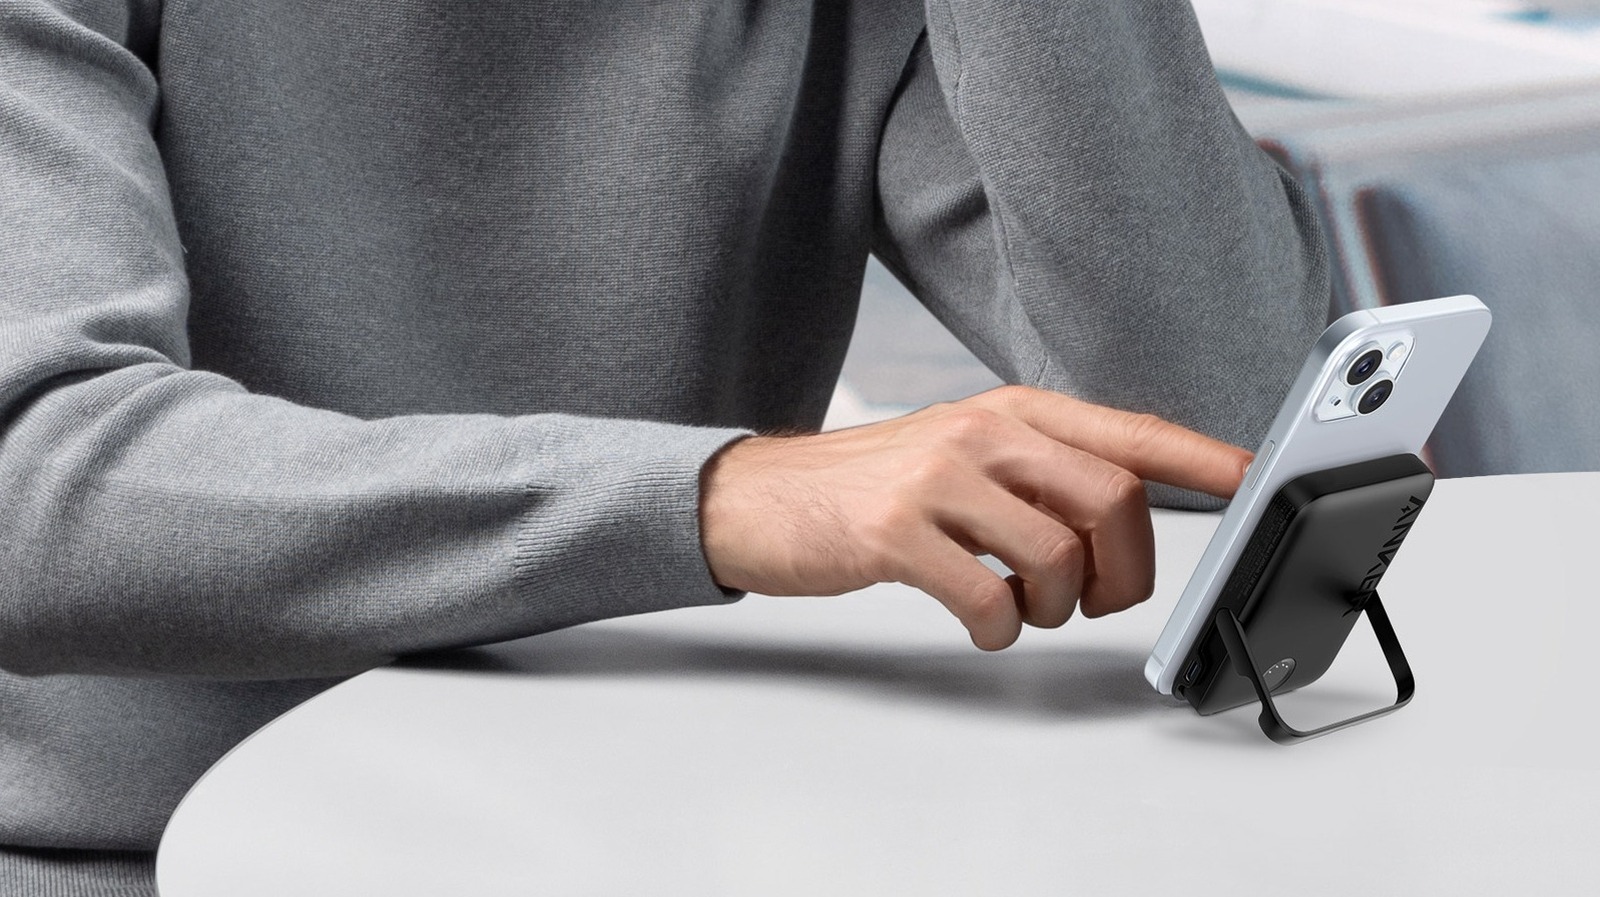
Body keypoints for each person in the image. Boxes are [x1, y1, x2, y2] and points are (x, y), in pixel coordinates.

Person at [0, 0, 1328, 892]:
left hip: (656, 838)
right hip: (157, 856)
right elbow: (35, 482)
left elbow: (1217, 429)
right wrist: (715, 499)